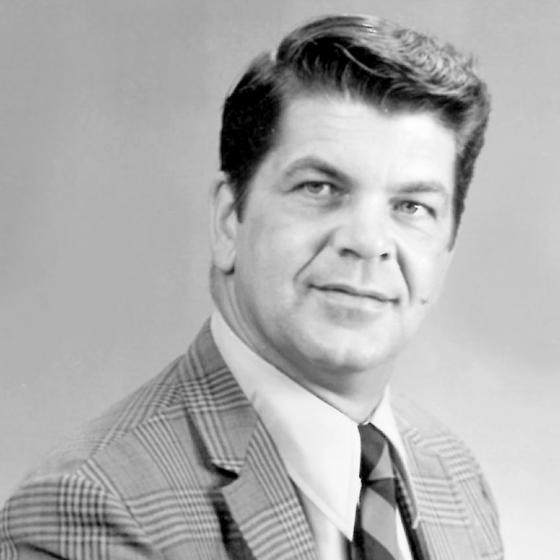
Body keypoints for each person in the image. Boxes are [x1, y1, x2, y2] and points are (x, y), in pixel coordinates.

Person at [0, 13, 503, 560]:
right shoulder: (90, 509)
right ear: (228, 222)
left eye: (412, 206)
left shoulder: (453, 476)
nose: (367, 241)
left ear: (447, 250)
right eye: (319, 187)